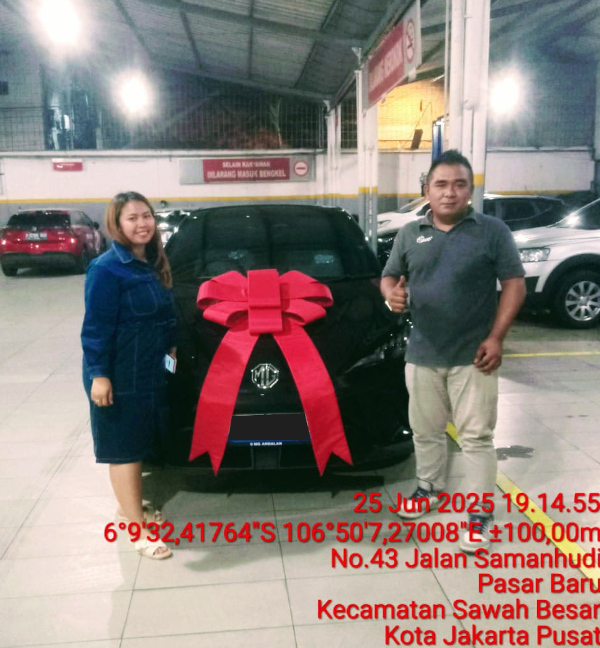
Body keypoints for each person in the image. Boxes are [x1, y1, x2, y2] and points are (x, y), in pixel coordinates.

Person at [381, 150, 526, 553]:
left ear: (470, 190)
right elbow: (389, 276)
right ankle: (429, 488)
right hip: (422, 352)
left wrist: (497, 337)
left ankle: (480, 514)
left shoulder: (492, 231)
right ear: (426, 190)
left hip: (474, 355)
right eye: (441, 184)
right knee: (426, 431)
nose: (450, 192)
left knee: (476, 437)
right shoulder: (410, 233)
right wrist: (390, 295)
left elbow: (514, 284)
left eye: (459, 184)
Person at [81, 191, 177, 560]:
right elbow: (96, 328)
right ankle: (137, 531)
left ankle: (128, 508)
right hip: (118, 374)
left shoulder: (150, 262)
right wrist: (99, 375)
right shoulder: (106, 269)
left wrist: (171, 350)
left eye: (146, 216)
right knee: (124, 451)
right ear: (117, 225)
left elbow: (164, 313)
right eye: (132, 218)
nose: (142, 224)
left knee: (137, 444)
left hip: (148, 369)